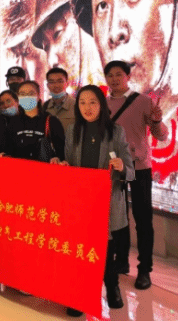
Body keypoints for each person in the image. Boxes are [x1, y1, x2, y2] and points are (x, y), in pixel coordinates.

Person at [55, 85, 135, 316]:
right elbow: (69, 163)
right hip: (80, 201)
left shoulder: (116, 132)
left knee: (104, 249)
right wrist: (63, 165)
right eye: (82, 103)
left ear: (102, 105)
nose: (87, 108)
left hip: (105, 201)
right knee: (80, 249)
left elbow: (131, 172)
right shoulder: (73, 130)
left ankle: (112, 286)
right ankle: (79, 294)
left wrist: (121, 166)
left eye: (92, 102)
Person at [104, 60, 168, 290]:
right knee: (117, 217)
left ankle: (144, 270)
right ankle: (121, 261)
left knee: (143, 219)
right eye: (110, 75)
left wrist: (157, 120)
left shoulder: (143, 101)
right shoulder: (102, 103)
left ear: (128, 77)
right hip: (114, 168)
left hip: (139, 167)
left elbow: (161, 136)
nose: (114, 79)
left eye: (118, 74)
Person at [6, 81, 65, 162]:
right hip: (19, 168)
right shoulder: (13, 122)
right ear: (18, 97)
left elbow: (61, 151)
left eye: (31, 93)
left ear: (38, 96)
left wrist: (57, 158)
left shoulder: (51, 121)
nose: (27, 97)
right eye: (22, 94)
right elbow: (8, 150)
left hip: (44, 169)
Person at [43, 67, 76, 131]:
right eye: (52, 82)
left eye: (60, 81)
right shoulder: (44, 107)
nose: (56, 86)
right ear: (47, 85)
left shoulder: (77, 106)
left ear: (67, 83)